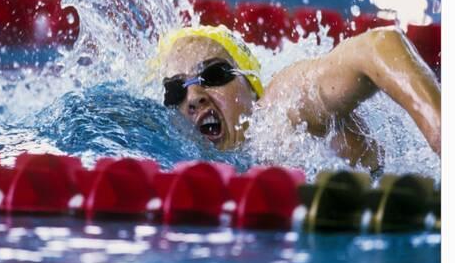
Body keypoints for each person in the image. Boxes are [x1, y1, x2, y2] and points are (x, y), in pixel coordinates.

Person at [154, 25, 441, 173]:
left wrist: (440, 131)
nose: (193, 97)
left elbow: (378, 45)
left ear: (251, 85)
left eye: (214, 75)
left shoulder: (279, 112)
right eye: (176, 92)